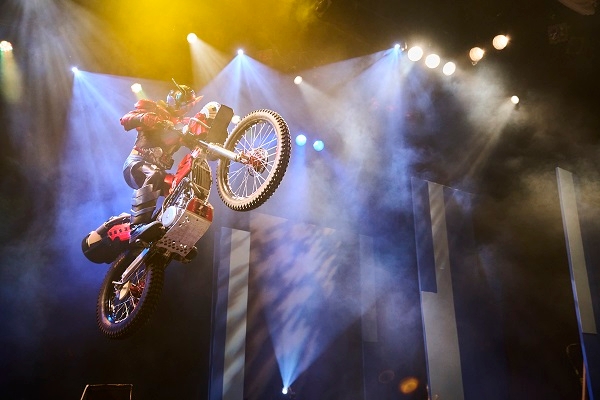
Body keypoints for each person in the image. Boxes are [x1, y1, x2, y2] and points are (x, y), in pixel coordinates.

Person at [120, 80, 215, 243]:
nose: (185, 107)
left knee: (181, 188)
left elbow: (195, 137)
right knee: (155, 174)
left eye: (188, 104)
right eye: (183, 102)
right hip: (136, 164)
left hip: (157, 172)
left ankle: (164, 228)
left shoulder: (183, 124)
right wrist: (144, 117)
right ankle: (137, 226)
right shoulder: (154, 109)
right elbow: (126, 119)